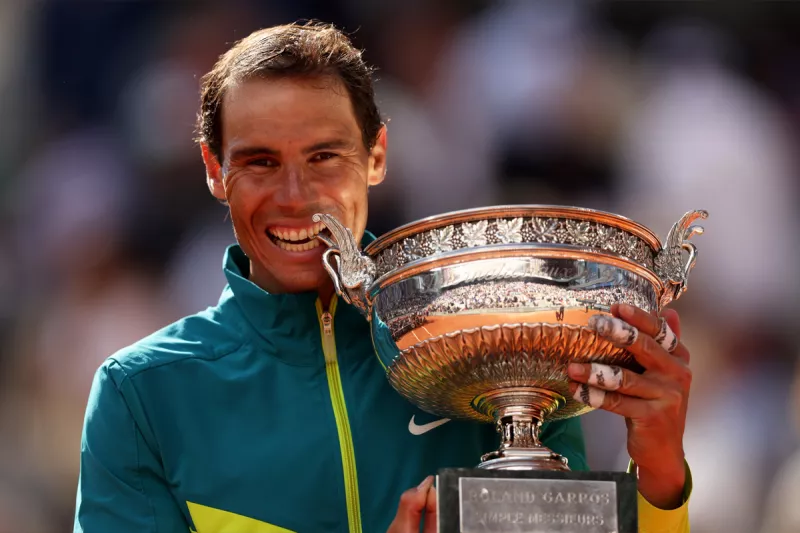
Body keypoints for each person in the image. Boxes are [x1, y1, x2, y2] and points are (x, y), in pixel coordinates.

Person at [73, 21, 692, 533]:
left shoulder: (503, 339)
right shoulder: (143, 395)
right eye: (260, 162)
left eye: (324, 157)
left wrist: (661, 482)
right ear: (214, 170)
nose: (295, 197)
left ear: (376, 156)